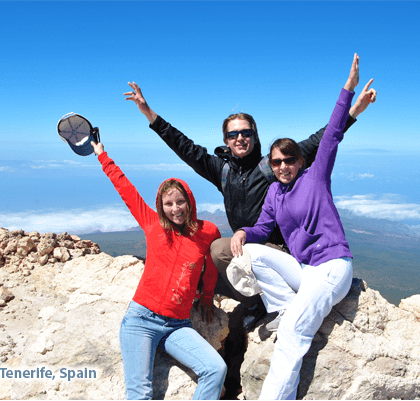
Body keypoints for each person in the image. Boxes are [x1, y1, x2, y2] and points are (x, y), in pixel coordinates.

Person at [123, 75, 376, 326]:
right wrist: (149, 114)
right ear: (226, 141)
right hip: (247, 248)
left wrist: (353, 112)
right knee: (204, 267)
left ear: (255, 135)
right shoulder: (222, 171)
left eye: (245, 132)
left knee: (219, 250)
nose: (240, 138)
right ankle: (257, 303)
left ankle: (274, 303)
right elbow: (185, 147)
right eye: (233, 135)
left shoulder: (274, 165)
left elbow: (321, 140)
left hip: (278, 253)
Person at [230, 53, 376, 399]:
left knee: (294, 335)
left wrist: (348, 90)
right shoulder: (275, 194)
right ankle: (283, 307)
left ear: (300, 161)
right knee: (251, 253)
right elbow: (262, 230)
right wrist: (242, 233)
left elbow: (332, 135)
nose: (282, 166)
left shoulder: (315, 177)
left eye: (289, 160)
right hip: (304, 269)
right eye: (276, 162)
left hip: (331, 269)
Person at [91, 140, 227, 400]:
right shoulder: (153, 224)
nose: (175, 209)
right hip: (141, 321)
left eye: (180, 202)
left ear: (189, 201)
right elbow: (125, 189)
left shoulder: (207, 231)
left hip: (178, 325)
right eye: (168, 204)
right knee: (141, 393)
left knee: (215, 369)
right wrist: (102, 155)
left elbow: (210, 267)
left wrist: (208, 297)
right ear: (161, 206)